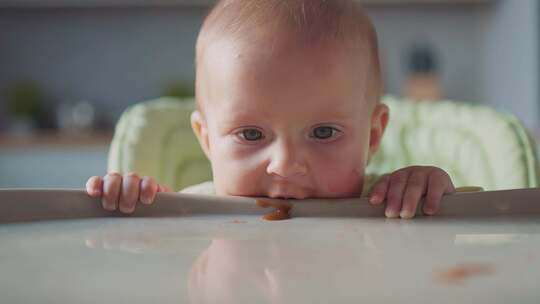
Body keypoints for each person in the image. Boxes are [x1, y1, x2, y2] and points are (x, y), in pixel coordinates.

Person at [86, 0, 455, 219]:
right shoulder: (190, 209)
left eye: (323, 132)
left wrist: (427, 189)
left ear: (373, 135)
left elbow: (456, 233)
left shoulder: (386, 203)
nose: (285, 164)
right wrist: (134, 205)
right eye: (250, 134)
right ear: (207, 139)